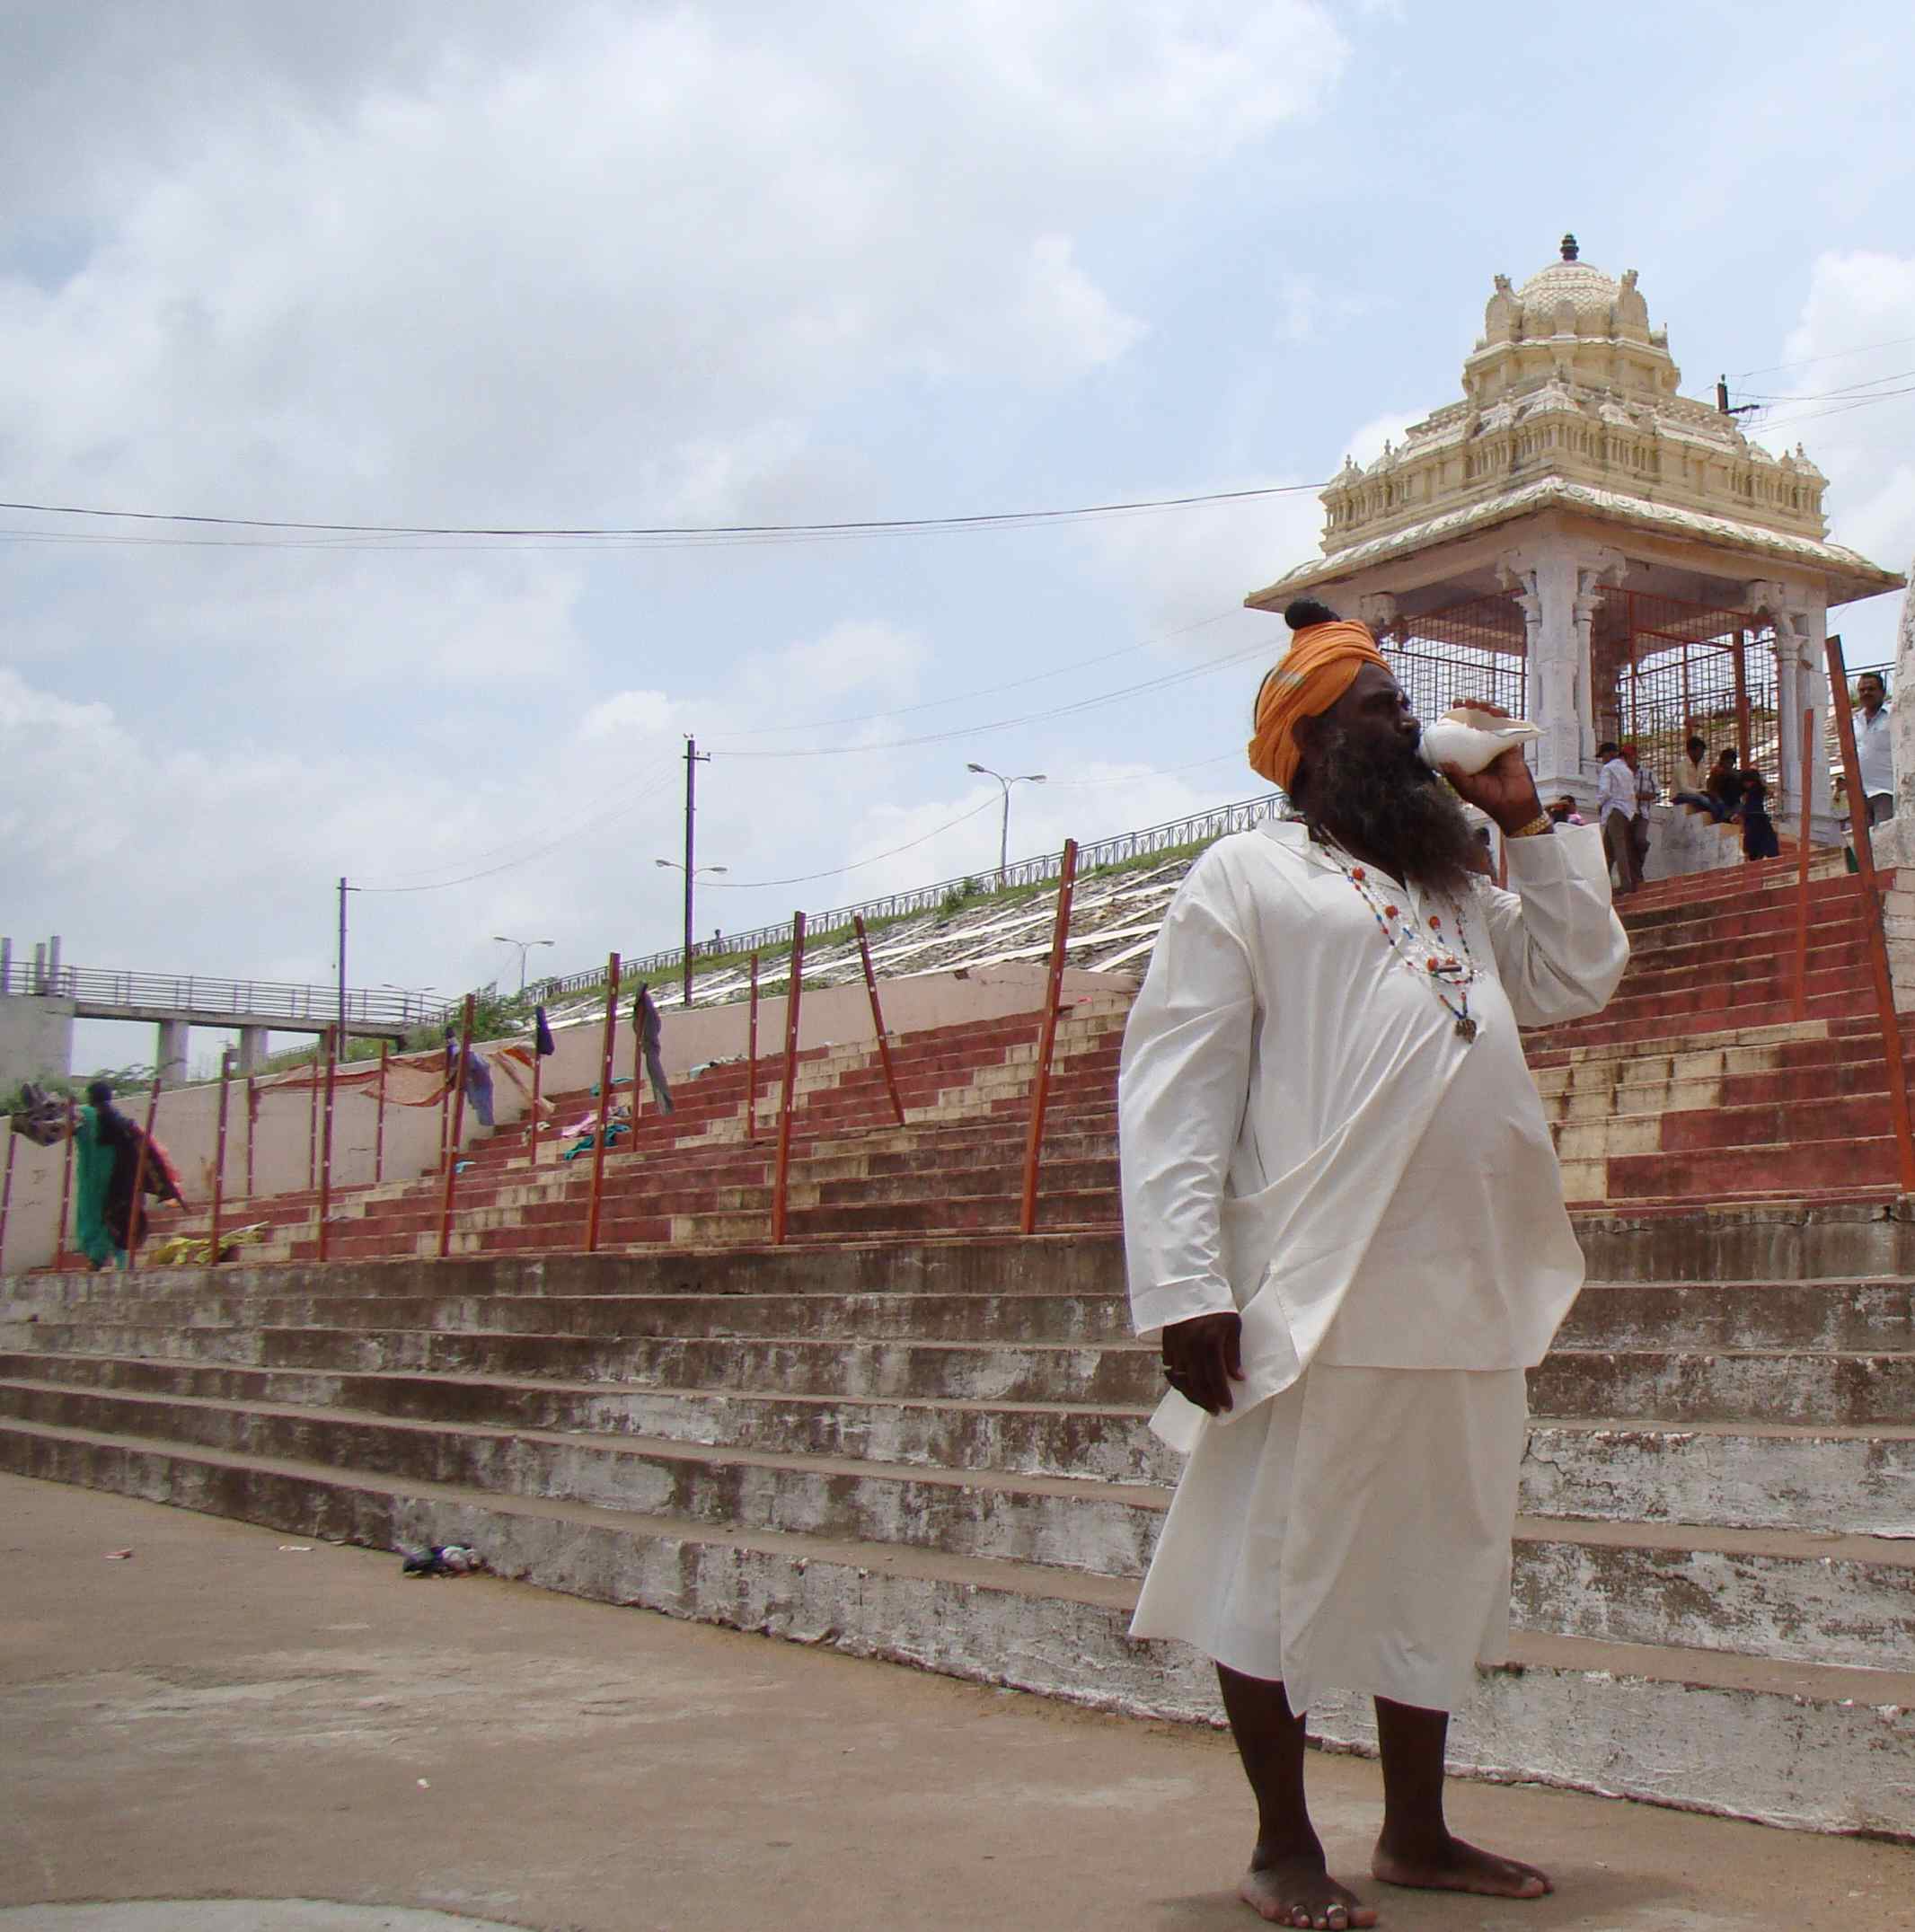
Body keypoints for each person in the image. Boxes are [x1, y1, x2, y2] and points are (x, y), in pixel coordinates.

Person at [1120, 597, 1628, 1928]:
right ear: (1309, 743)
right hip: (1314, 1282)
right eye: (1378, 708)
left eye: (1406, 705)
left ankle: (1416, 1829)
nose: (1407, 722)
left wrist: (1524, 822)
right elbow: (1175, 1091)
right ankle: (1284, 1842)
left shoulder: (1455, 871)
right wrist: (1184, 1285)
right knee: (1273, 1557)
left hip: (1469, 1278)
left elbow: (1578, 974)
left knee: (1438, 1556)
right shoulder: (1246, 878)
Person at [70, 1080, 185, 1271]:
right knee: (120, 1224)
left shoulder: (90, 1119)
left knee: (107, 1221)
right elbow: (150, 1152)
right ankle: (114, 1263)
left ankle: (98, 1260)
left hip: (109, 1185)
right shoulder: (123, 1123)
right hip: (127, 1185)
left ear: (91, 1099)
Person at [1596, 741, 1641, 896]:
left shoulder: (1608, 769)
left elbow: (1605, 792)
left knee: (1617, 849)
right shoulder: (1627, 770)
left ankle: (1625, 884)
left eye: (1602, 756)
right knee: (1608, 851)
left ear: (1608, 754)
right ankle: (1603, 884)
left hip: (1613, 811)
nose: (1602, 760)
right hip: (1626, 812)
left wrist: (1598, 804)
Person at [1855, 672, 1894, 826]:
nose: (1866, 693)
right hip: (1861, 794)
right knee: (1864, 846)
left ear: (1882, 692)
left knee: (1885, 840)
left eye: (1871, 689)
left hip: (1886, 790)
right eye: (1862, 690)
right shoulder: (1855, 721)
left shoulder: (1894, 715)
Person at [631, 982, 675, 1115]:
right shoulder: (646, 1012)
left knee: (657, 1079)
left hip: (651, 1046)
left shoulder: (649, 1016)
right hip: (649, 1046)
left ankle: (665, 1105)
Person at [443, 1028, 496, 1129]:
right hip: (476, 1080)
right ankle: (487, 1124)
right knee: (481, 1102)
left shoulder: (467, 1056)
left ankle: (487, 1125)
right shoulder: (462, 1054)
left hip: (478, 1081)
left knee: (482, 1102)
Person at [1623, 745, 1656, 878]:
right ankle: (1637, 877)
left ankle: (1639, 863)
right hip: (1626, 814)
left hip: (1642, 813)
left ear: (1636, 756)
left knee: (1640, 840)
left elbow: (1656, 794)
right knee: (1628, 847)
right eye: (1625, 757)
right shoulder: (1623, 774)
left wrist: (1638, 796)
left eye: (1630, 756)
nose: (1628, 760)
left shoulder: (1648, 774)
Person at [1736, 770, 1780, 861]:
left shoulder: (1754, 791)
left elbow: (1749, 807)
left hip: (1754, 820)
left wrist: (1740, 814)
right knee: (1768, 844)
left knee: (1754, 846)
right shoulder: (1757, 790)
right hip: (1759, 819)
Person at [1703, 748, 1745, 822]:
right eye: (1728, 762)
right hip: (1719, 804)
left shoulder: (1735, 774)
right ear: (1723, 761)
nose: (1729, 765)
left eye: (1731, 763)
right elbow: (1710, 789)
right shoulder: (1716, 772)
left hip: (1733, 804)